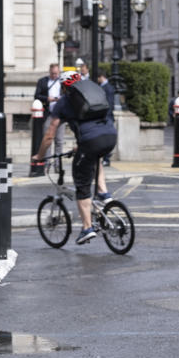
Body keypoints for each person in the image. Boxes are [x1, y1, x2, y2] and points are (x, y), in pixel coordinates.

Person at [31, 72, 117, 245]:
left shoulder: (64, 101)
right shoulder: (93, 91)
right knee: (95, 157)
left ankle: (87, 228)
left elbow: (49, 135)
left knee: (82, 183)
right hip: (110, 137)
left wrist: (39, 156)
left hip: (91, 142)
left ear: (63, 86)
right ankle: (103, 193)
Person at [34, 63, 66, 159]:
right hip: (49, 114)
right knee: (47, 139)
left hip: (61, 115)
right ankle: (47, 163)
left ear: (59, 72)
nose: (54, 75)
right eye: (52, 73)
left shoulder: (63, 82)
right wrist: (47, 99)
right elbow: (36, 96)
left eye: (56, 73)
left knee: (59, 140)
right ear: (49, 72)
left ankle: (57, 164)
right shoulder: (43, 81)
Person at [97, 72, 116, 166]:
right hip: (105, 117)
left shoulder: (108, 88)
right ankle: (105, 158)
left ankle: (107, 159)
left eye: (98, 78)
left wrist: (104, 116)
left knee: (106, 139)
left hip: (106, 117)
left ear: (101, 77)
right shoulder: (104, 87)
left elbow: (109, 104)